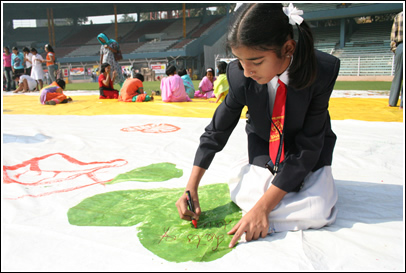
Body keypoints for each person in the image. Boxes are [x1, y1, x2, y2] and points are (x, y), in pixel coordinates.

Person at [175, 3, 340, 248]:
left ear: (287, 48)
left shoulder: (321, 71)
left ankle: (266, 213)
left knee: (318, 209)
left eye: (256, 61)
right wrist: (191, 187)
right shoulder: (240, 75)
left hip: (306, 150)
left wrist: (263, 208)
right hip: (265, 145)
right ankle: (267, 207)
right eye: (240, 61)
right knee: (247, 192)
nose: (247, 70)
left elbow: (309, 145)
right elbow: (217, 130)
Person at [388, 11, 403, 109]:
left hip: (401, 46)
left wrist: (395, 49)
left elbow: (393, 35)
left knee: (398, 74)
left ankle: (392, 101)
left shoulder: (400, 15)